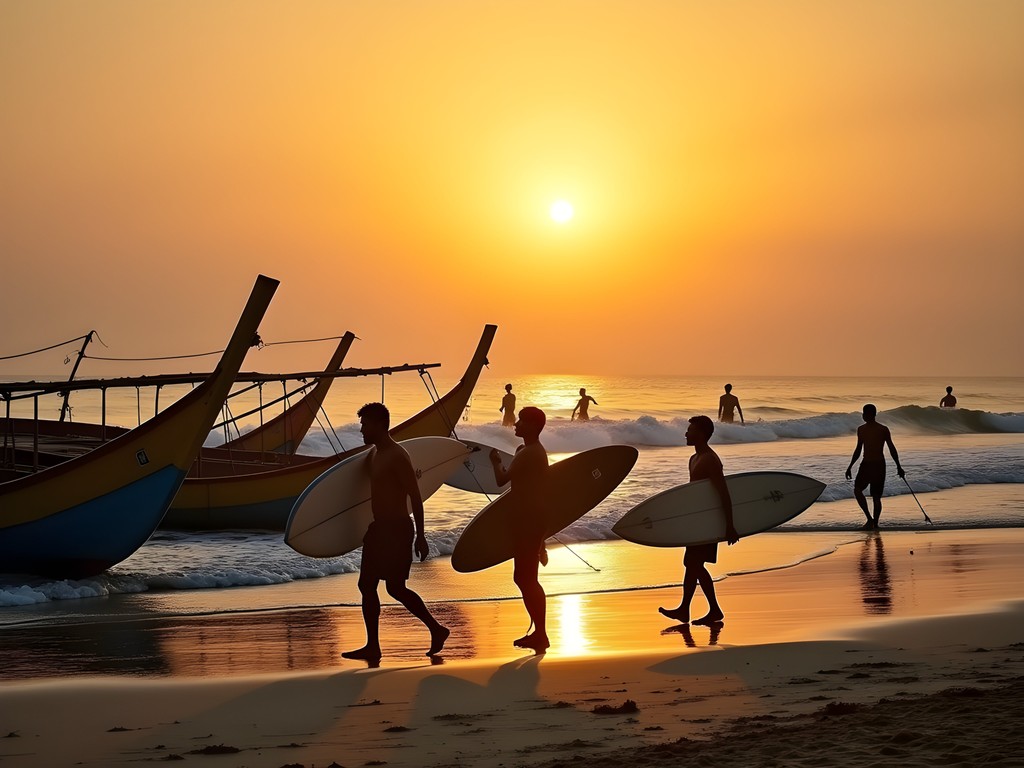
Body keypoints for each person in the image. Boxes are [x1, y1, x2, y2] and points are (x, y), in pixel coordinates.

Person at [342, 402, 450, 664]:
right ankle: (374, 646)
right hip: (379, 529)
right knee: (368, 585)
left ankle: (435, 629)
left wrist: (421, 536)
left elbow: (415, 495)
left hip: (397, 529)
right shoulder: (375, 454)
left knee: (395, 588)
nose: (361, 430)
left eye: (365, 424)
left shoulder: (397, 455)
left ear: (380, 424)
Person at [659, 415, 739, 626]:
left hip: (707, 522)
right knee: (692, 564)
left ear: (702, 434)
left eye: (690, 430)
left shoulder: (710, 460)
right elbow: (696, 495)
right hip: (698, 521)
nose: (686, 433)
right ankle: (700, 609)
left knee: (692, 563)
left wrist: (729, 526)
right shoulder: (694, 458)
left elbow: (724, 493)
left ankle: (699, 609)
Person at [489, 406, 550, 651]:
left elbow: (501, 480)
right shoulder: (527, 451)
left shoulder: (530, 452)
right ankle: (539, 631)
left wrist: (495, 462)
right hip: (529, 520)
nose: (516, 424)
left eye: (522, 421)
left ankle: (541, 633)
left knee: (527, 578)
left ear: (534, 426)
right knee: (524, 577)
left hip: (529, 521)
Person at [845, 403, 905, 530]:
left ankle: (872, 522)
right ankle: (872, 521)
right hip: (873, 465)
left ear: (870, 414)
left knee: (871, 495)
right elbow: (858, 450)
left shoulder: (878, 429)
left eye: (864, 413)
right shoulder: (867, 429)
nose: (863, 415)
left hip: (872, 465)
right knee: (863, 492)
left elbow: (891, 448)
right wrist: (850, 466)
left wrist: (899, 466)